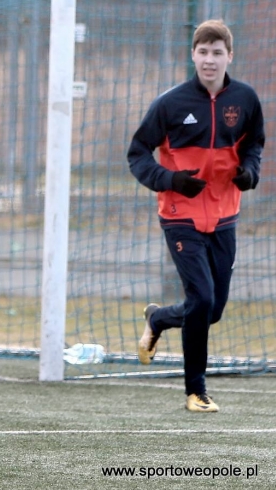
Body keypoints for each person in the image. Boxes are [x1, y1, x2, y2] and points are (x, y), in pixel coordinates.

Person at [128, 19, 265, 413]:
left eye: (217, 52)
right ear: (193, 55)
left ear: (229, 56)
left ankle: (158, 320)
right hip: (179, 214)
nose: (209, 60)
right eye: (203, 52)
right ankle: (196, 390)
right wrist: (169, 179)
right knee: (201, 297)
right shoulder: (170, 104)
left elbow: (254, 144)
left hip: (225, 215)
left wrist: (250, 172)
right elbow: (137, 153)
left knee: (213, 310)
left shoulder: (246, 100)